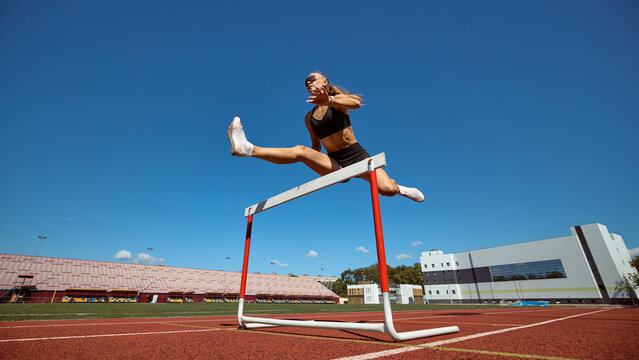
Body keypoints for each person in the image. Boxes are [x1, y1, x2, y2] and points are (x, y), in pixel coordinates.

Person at [227, 72, 424, 202]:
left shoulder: (337, 102)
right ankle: (248, 149)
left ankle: (400, 188)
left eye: (313, 78)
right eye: (306, 83)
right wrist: (310, 159)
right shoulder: (308, 118)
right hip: (334, 161)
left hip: (357, 156)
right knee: (300, 151)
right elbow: (315, 147)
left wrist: (329, 100)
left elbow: (355, 104)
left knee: (387, 190)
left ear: (325, 82)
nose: (309, 82)